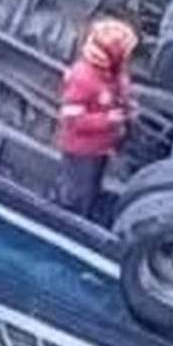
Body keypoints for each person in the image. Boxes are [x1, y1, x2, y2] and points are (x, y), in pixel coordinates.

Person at [54, 18, 138, 220]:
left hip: (100, 147)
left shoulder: (112, 72)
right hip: (81, 149)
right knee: (77, 190)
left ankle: (89, 207)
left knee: (93, 182)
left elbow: (120, 86)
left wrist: (128, 103)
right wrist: (107, 119)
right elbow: (72, 120)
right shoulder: (82, 78)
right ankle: (71, 218)